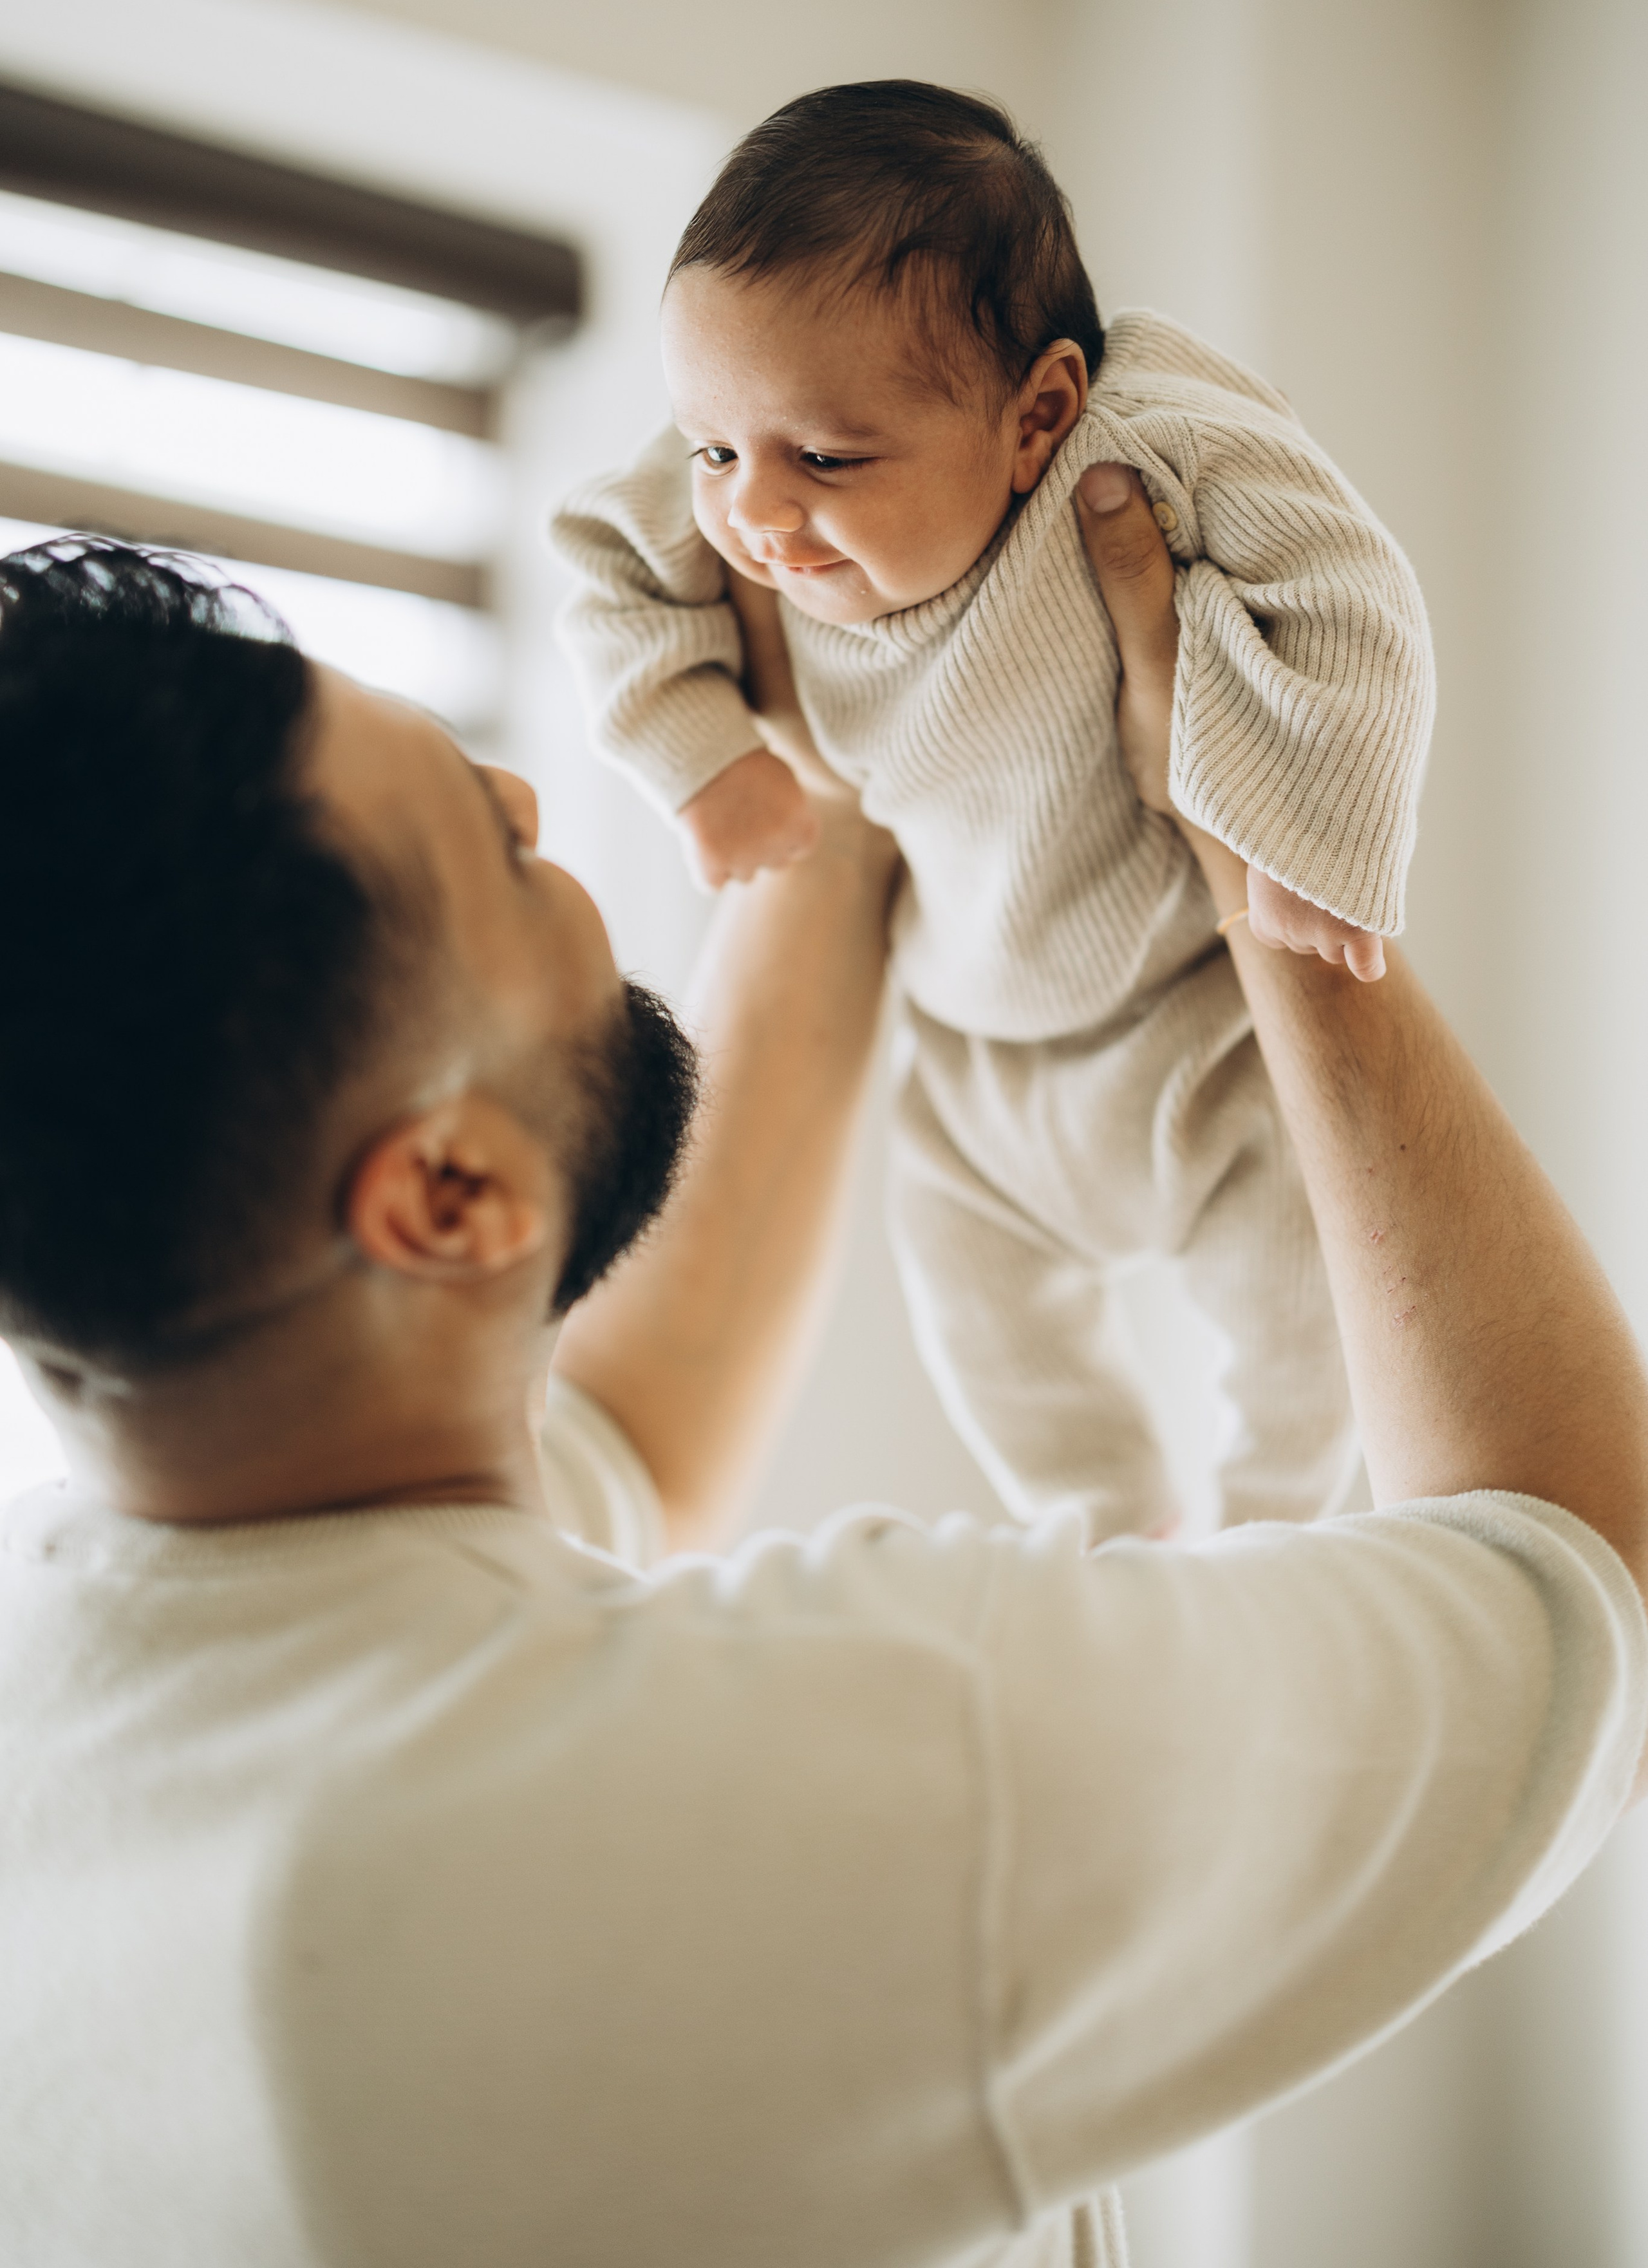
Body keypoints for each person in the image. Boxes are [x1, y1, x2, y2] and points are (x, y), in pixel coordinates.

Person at [0, 500, 1643, 2268]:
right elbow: (1575, 1584)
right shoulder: (849, 1769)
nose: (537, 802)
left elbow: (634, 1430)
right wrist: (1271, 850)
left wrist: (868, 736)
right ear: (451, 1198)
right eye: (489, 844)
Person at [552, 80, 1433, 1543]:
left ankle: (1265, 1538)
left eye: (826, 460)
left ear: (1035, 415)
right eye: (713, 450)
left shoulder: (1136, 444)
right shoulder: (748, 458)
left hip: (1188, 1021)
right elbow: (597, 559)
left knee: (1301, 1320)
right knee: (990, 1336)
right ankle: (1107, 1544)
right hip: (968, 1055)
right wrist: (703, 756)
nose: (754, 512)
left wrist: (1309, 843)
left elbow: (1347, 601)